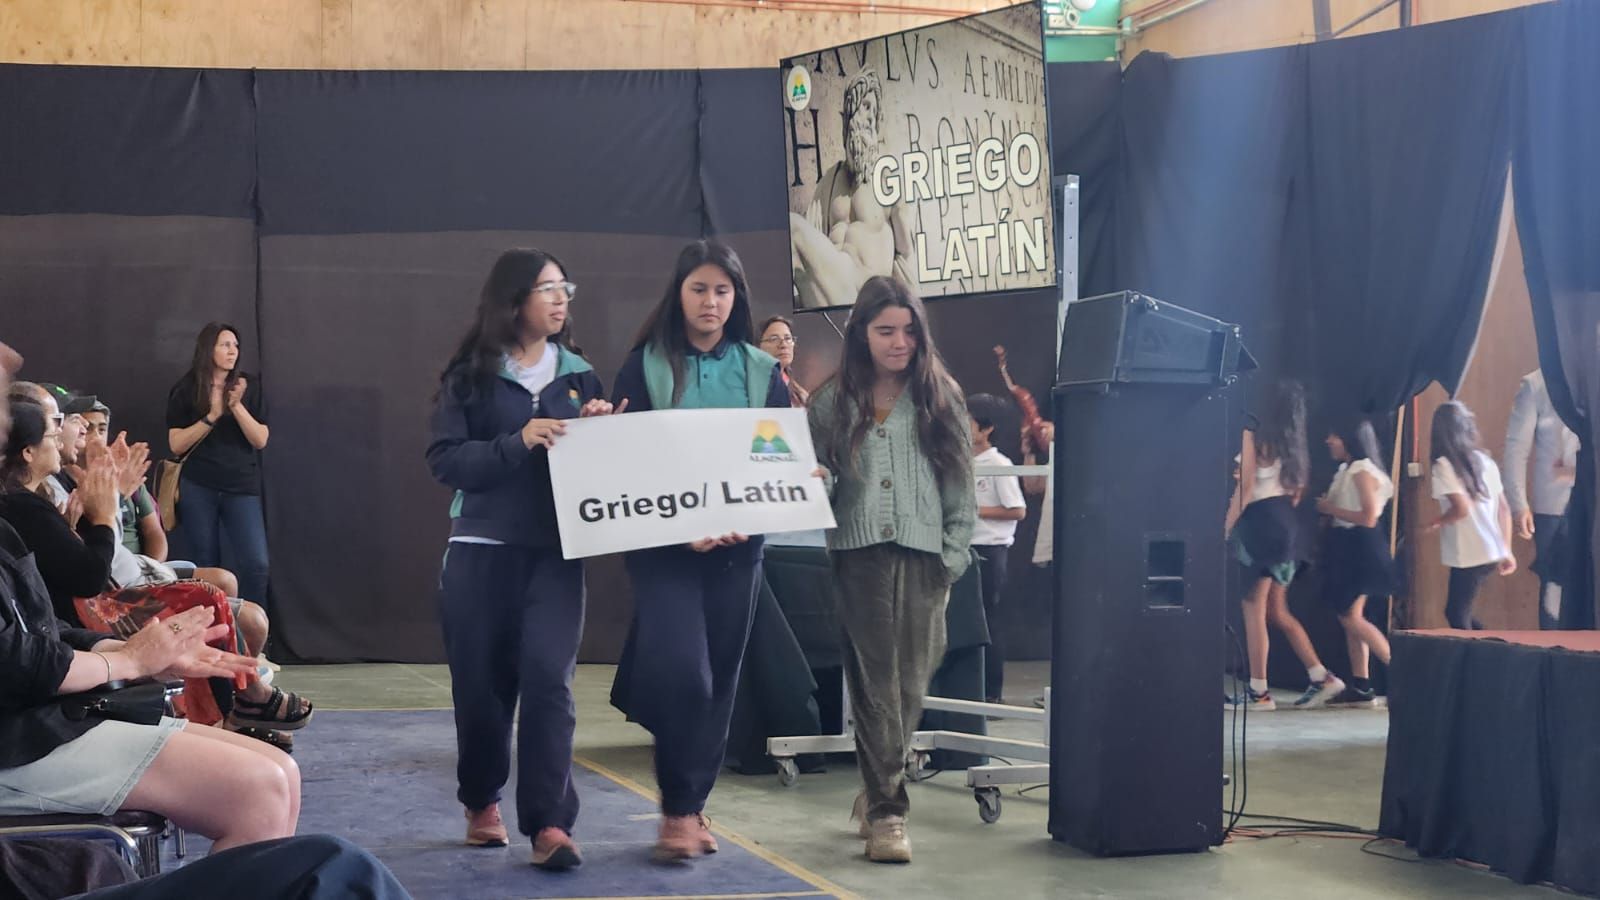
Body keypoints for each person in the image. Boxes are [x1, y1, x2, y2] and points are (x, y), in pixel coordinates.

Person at [0, 348, 297, 854]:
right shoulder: (21, 509)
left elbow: (41, 628)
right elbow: (29, 648)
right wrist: (128, 661)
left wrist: (132, 653)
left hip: (33, 718)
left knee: (280, 771)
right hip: (17, 738)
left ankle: (240, 703)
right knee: (259, 789)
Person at [426, 248, 613, 870]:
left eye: (565, 288)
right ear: (513, 300)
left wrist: (600, 428)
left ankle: (551, 824)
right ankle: (481, 799)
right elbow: (446, 460)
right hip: (479, 553)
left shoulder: (581, 376)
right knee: (481, 688)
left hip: (556, 554)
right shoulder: (470, 376)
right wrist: (517, 441)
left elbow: (602, 467)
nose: (561, 300)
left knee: (550, 682)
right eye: (547, 289)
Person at [609, 240, 789, 862]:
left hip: (739, 552)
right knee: (683, 674)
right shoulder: (643, 366)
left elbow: (777, 461)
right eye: (698, 289)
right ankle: (680, 806)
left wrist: (750, 514)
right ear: (678, 294)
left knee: (719, 683)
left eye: (721, 290)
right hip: (664, 552)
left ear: (736, 297)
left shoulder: (763, 372)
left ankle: (686, 808)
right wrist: (680, 525)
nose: (710, 301)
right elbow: (625, 460)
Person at [808, 276, 976, 864]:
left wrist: (953, 554)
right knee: (875, 684)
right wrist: (820, 484)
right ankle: (888, 811)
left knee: (910, 685)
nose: (899, 342)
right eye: (885, 331)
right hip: (858, 556)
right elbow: (819, 478)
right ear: (861, 333)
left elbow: (959, 480)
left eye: (908, 331)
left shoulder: (940, 395)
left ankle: (876, 787)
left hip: (926, 555)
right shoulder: (831, 401)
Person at [1223, 380, 1343, 712]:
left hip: (1260, 523)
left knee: (1253, 609)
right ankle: (1320, 675)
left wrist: (1225, 527)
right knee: (1277, 610)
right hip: (1286, 525)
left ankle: (1259, 691)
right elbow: (1294, 492)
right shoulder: (1295, 447)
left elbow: (1246, 488)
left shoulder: (1253, 436)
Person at [789, 69, 917, 309]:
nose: (869, 117)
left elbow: (905, 250)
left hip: (868, 293)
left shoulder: (886, 175)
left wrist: (900, 204)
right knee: (792, 235)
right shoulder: (830, 179)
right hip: (833, 284)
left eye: (874, 111)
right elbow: (813, 240)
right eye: (865, 107)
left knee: (793, 227)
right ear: (850, 114)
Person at [165, 323, 270, 609]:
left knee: (256, 563)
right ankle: (212, 627)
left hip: (241, 486)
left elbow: (260, 439)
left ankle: (253, 628)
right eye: (225, 345)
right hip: (199, 485)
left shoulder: (249, 387)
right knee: (205, 563)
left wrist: (235, 406)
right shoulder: (187, 389)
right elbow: (176, 444)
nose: (232, 351)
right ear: (208, 349)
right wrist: (212, 416)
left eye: (235, 345)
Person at [1314, 420, 1395, 706]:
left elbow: (1368, 517)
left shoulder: (1361, 469)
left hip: (1361, 547)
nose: (1329, 441)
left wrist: (1330, 508)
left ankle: (1400, 671)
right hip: (1347, 546)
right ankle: (1361, 684)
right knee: (1349, 616)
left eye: (1334, 435)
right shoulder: (1346, 470)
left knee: (1351, 617)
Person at [1426, 401, 1516, 629]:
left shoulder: (1443, 465)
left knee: (1457, 614)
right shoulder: (1485, 461)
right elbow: (1504, 509)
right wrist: (1506, 549)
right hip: (1491, 549)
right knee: (1458, 612)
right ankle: (1483, 645)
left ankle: (1480, 650)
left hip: (1470, 550)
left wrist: (1438, 521)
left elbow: (1461, 508)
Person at [1503, 369, 1579, 629]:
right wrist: (1519, 504)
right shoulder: (1536, 383)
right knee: (1554, 587)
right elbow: (1516, 447)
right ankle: (1553, 649)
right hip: (1554, 506)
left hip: (1587, 496)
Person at [966, 393, 1025, 704]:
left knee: (988, 620)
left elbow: (1017, 510)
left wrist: (973, 510)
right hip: (963, 547)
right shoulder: (962, 461)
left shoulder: (1000, 464)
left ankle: (992, 692)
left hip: (990, 550)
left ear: (987, 428)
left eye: (968, 420)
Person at [759, 315, 810, 408]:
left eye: (787, 338)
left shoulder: (798, 391)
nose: (783, 345)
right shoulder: (755, 387)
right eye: (774, 339)